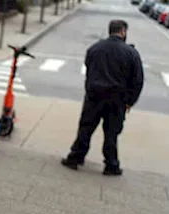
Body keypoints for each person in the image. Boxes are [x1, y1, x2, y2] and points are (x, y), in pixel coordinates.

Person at [61, 19, 144, 176]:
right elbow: (137, 80)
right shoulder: (131, 53)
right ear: (123, 32)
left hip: (94, 95)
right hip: (117, 99)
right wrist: (130, 101)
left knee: (86, 128)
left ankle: (75, 157)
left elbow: (88, 67)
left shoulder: (95, 48)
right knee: (111, 133)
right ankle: (111, 164)